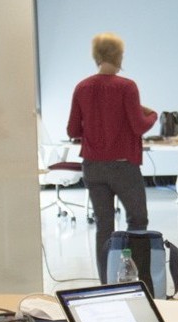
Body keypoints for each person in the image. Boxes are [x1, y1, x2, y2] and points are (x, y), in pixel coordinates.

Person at [66, 33, 157, 282]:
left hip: (93, 168)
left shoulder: (82, 87)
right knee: (137, 220)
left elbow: (73, 130)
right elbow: (139, 126)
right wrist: (153, 115)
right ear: (119, 56)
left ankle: (106, 281)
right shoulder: (127, 87)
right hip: (123, 167)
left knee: (103, 226)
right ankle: (137, 278)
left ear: (96, 56)